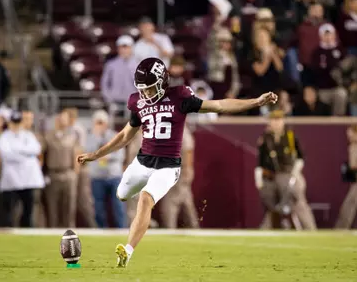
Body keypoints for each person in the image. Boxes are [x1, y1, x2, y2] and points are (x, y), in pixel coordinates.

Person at [77, 57, 277, 267]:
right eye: (143, 89)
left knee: (146, 199)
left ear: (163, 83)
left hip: (168, 166)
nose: (145, 94)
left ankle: (127, 251)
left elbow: (219, 105)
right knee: (122, 194)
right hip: (142, 162)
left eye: (150, 88)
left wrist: (255, 101)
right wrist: (96, 154)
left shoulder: (180, 96)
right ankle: (133, 204)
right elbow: (125, 135)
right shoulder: (137, 101)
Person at [254, 110, 317, 230]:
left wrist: (296, 172)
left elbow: (300, 157)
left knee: (297, 201)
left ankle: (310, 229)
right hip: (271, 177)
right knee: (272, 206)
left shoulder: (290, 136)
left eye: (278, 120)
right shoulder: (265, 138)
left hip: (288, 174)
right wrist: (258, 179)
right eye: (273, 120)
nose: (276, 123)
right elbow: (260, 162)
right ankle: (268, 230)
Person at [0, 111, 44, 227]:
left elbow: (36, 149)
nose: (16, 125)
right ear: (9, 123)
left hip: (28, 179)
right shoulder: (4, 137)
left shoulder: (28, 135)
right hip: (11, 179)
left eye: (18, 123)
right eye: (14, 123)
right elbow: (6, 154)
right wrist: (26, 155)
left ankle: (27, 230)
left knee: (28, 209)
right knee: (9, 209)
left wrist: (17, 150)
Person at [86, 110, 126, 228]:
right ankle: (101, 229)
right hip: (97, 176)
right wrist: (97, 137)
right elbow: (88, 153)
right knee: (98, 206)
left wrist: (106, 156)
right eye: (97, 122)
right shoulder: (90, 138)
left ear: (106, 123)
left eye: (101, 122)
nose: (100, 125)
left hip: (114, 176)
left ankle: (121, 228)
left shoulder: (114, 135)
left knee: (118, 205)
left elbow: (120, 155)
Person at [42, 111, 80, 227]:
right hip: (53, 174)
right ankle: (52, 231)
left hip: (68, 173)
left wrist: (75, 174)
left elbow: (77, 156)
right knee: (52, 207)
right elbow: (43, 155)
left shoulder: (73, 136)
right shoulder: (48, 136)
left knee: (69, 207)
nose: (62, 121)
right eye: (60, 118)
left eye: (64, 119)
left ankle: (69, 231)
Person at [160, 125, 199, 228]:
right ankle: (194, 226)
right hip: (178, 169)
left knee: (171, 201)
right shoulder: (175, 131)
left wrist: (187, 169)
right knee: (186, 200)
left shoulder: (181, 132)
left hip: (179, 170)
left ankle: (169, 227)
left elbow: (188, 151)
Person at [64, 108, 96, 228]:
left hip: (80, 169)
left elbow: (79, 151)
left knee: (84, 200)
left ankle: (93, 226)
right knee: (71, 200)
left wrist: (76, 172)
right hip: (74, 168)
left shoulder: (77, 130)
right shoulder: (68, 130)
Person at [311, 23, 348, 115]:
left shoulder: (340, 49)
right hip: (322, 89)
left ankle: (338, 122)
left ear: (334, 35)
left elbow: (345, 67)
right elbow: (315, 70)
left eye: (330, 34)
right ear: (321, 36)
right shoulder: (317, 52)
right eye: (325, 34)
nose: (328, 37)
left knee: (341, 94)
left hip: (337, 87)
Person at [101, 35, 138, 105]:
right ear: (118, 48)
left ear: (131, 48)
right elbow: (104, 83)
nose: (124, 50)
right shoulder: (111, 64)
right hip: (114, 100)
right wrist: (108, 98)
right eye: (122, 47)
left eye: (126, 47)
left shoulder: (138, 65)